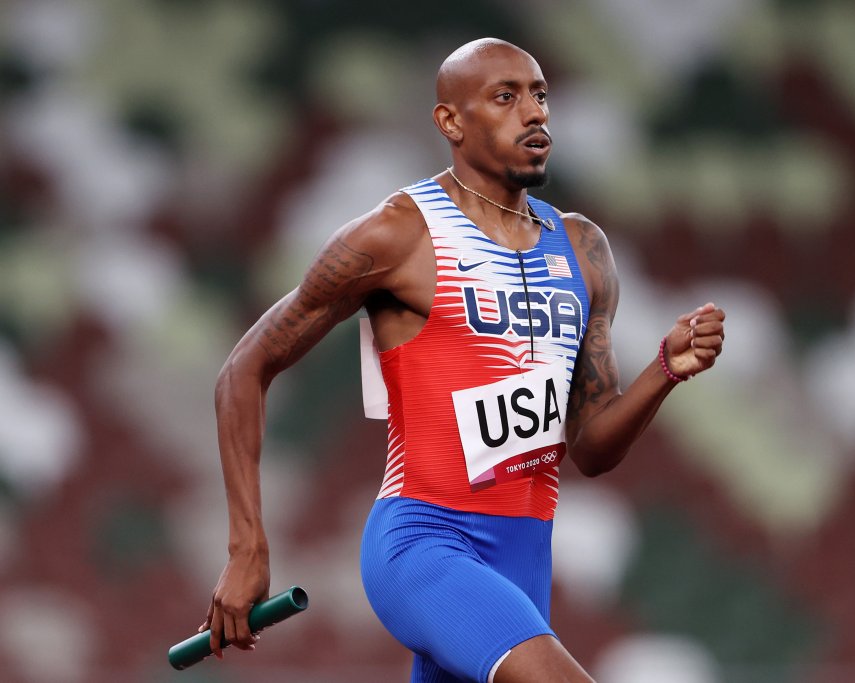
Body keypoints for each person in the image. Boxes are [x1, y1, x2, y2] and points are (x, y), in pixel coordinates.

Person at [200, 37, 726, 683]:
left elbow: (590, 447)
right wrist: (246, 546)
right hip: (424, 542)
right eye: (505, 97)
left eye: (539, 95)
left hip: (525, 558)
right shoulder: (397, 234)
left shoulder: (583, 249)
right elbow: (243, 370)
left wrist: (665, 372)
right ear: (450, 121)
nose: (534, 113)